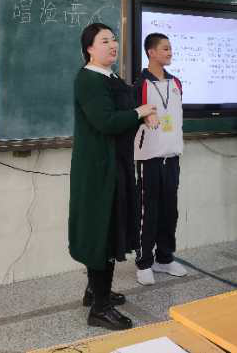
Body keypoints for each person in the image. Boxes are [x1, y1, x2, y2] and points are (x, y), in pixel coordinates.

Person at [69, 23, 158, 330]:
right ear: (89, 48)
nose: (113, 45)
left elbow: (126, 109)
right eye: (104, 40)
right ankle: (100, 309)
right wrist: (140, 112)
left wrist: (142, 113)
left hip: (116, 164)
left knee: (108, 229)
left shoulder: (110, 77)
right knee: (101, 234)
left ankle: (95, 292)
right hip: (99, 171)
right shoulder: (88, 79)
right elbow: (106, 121)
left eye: (114, 39)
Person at [133, 33, 188, 285]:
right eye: (165, 48)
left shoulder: (176, 83)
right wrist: (142, 116)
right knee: (148, 211)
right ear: (151, 52)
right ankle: (144, 261)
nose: (170, 52)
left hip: (172, 156)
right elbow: (132, 117)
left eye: (170, 48)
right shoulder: (140, 84)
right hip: (149, 158)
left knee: (169, 211)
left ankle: (164, 258)